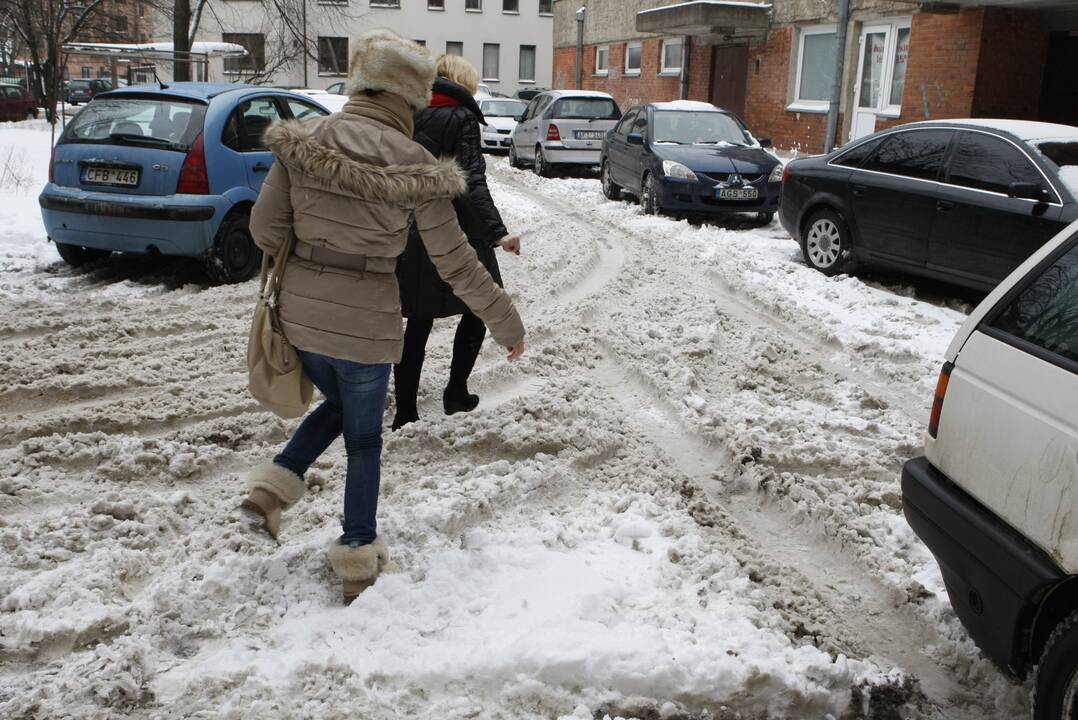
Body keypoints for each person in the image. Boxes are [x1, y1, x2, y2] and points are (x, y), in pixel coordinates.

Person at [240, 29, 525, 604]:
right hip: (367, 320)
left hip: (299, 313)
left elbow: (265, 231)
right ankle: (356, 562)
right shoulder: (418, 166)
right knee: (364, 438)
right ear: (409, 98)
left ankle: (269, 493)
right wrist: (505, 321)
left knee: (341, 406)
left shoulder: (303, 140)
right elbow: (455, 263)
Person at [392, 54, 520, 431]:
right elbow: (471, 181)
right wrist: (497, 231)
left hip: (413, 230)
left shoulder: (406, 112)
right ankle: (455, 392)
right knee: (480, 305)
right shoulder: (461, 116)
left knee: (418, 320)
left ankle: (405, 412)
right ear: (464, 81)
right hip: (459, 232)